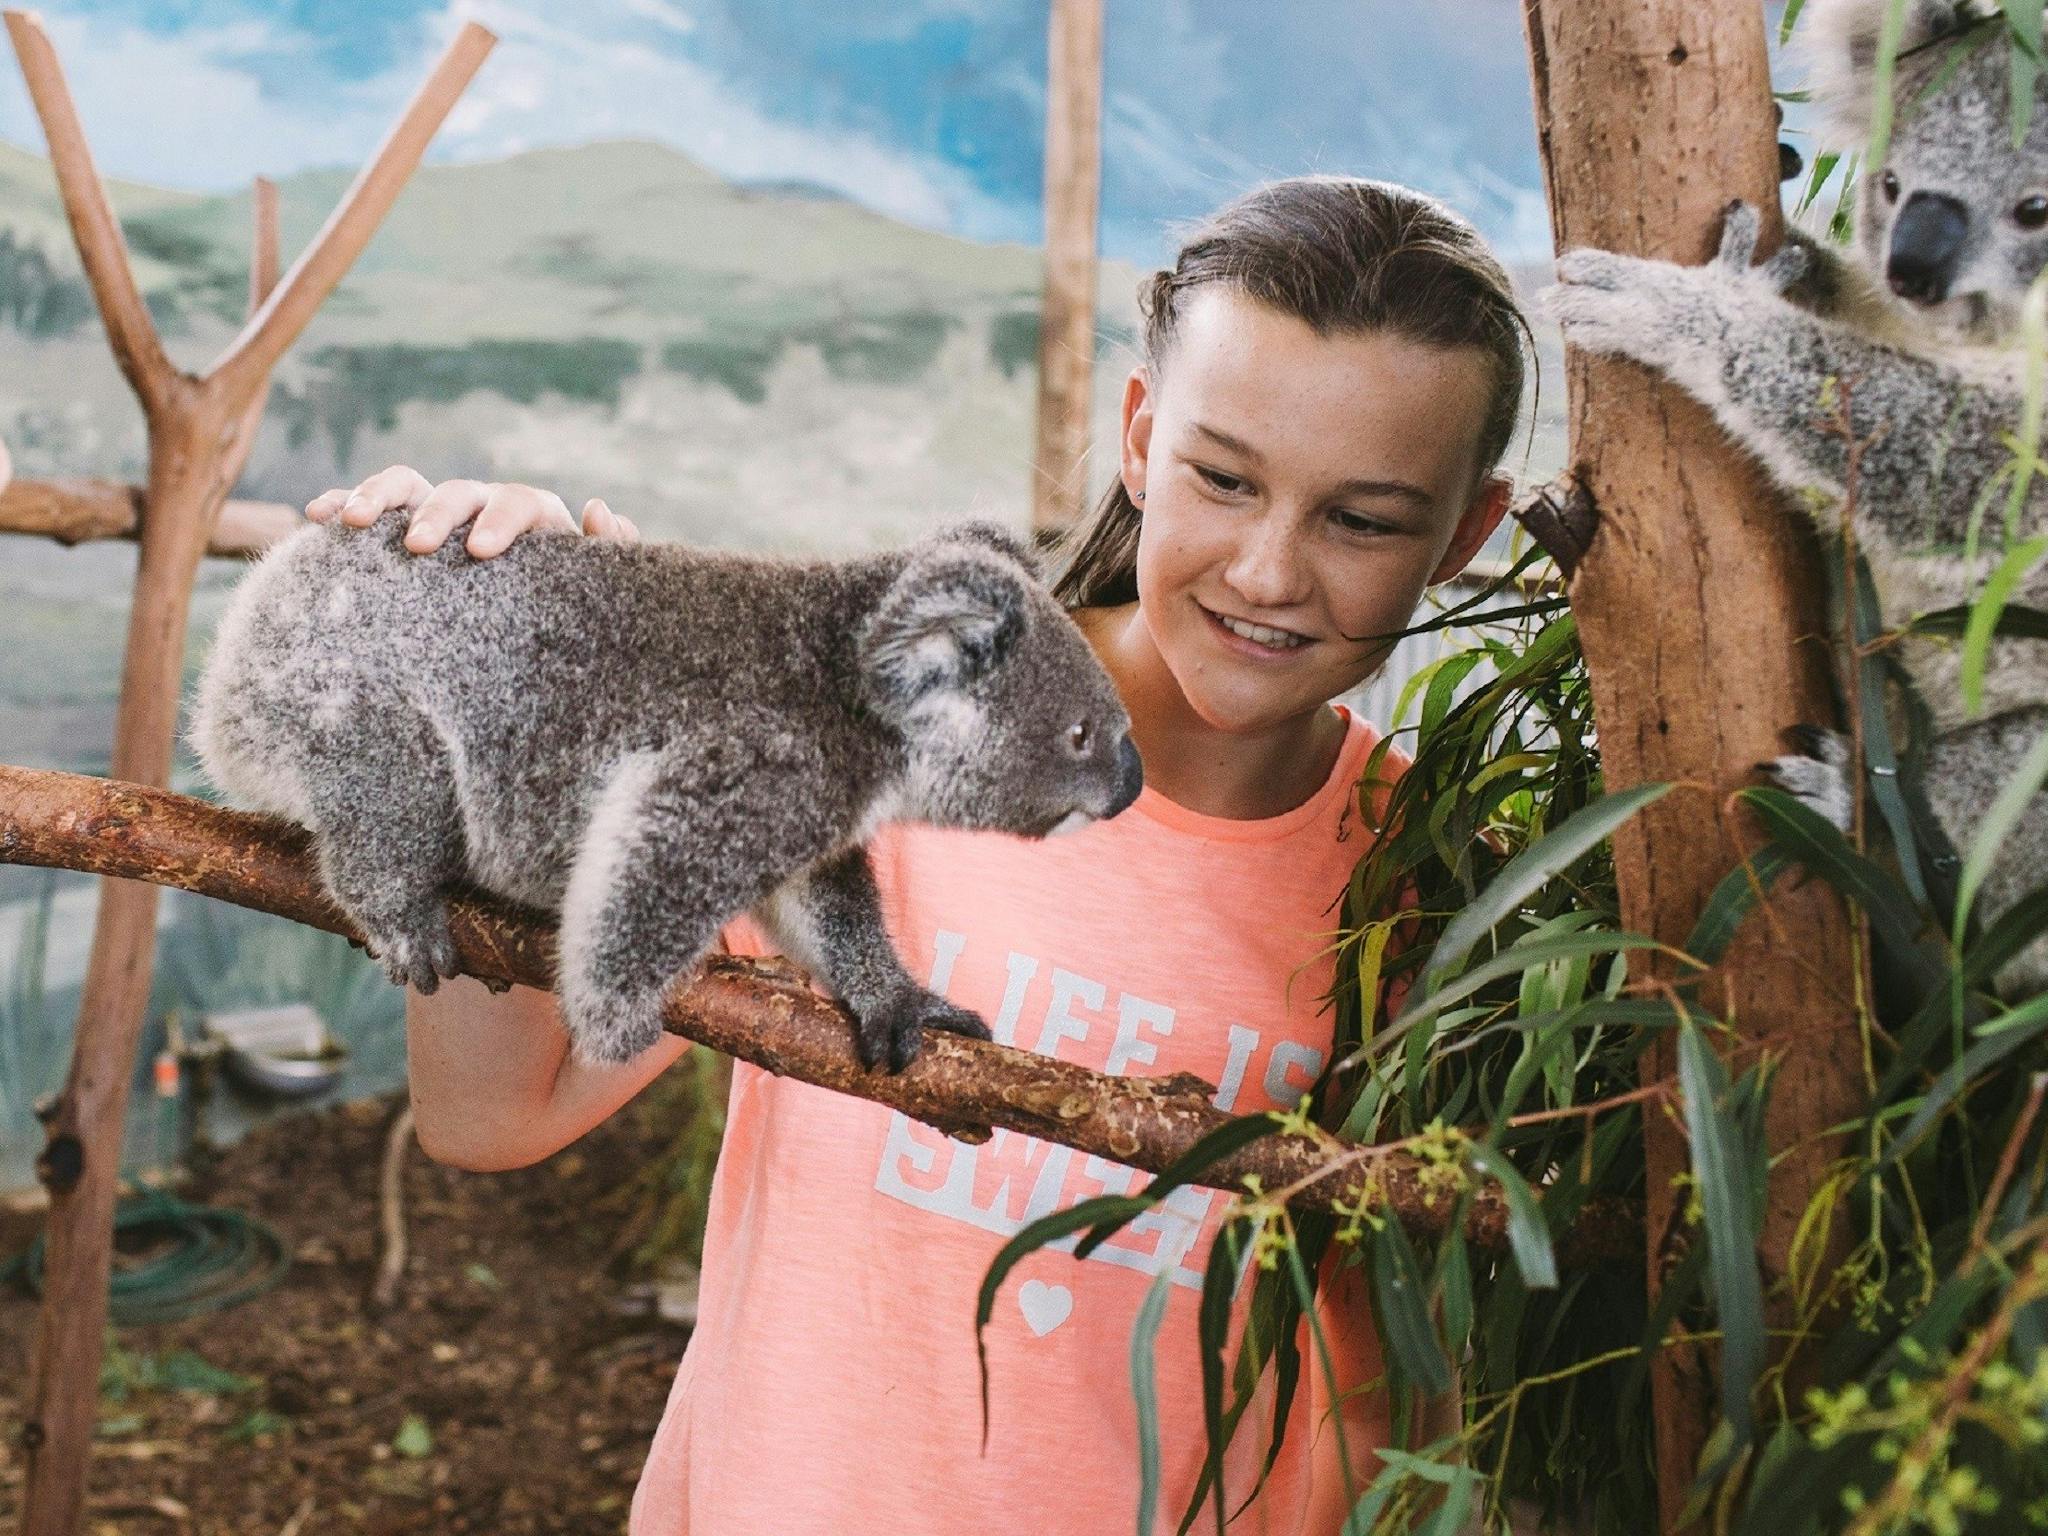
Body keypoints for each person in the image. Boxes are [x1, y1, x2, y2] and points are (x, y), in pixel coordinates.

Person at [307, 175, 1527, 1534]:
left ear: (1469, 534)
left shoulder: (1451, 893)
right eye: (1223, 478)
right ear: (1139, 435)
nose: (1268, 571)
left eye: (1362, 518)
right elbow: (493, 1113)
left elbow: (1391, 1390)